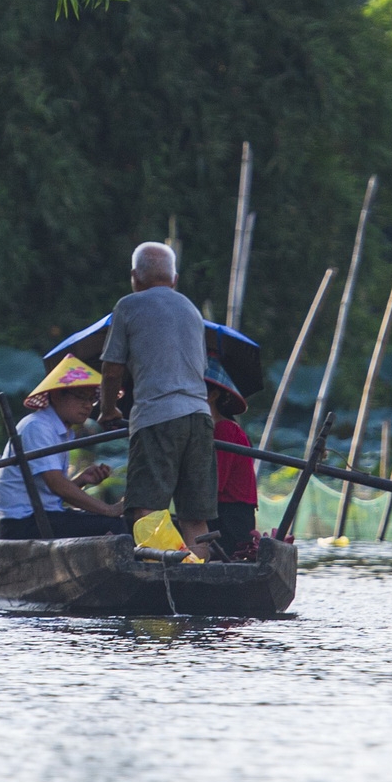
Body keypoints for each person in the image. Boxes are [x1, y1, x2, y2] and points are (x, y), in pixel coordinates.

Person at [98, 240, 222, 561]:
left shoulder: (128, 305)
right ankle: (198, 577)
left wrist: (109, 408)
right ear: (174, 280)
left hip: (157, 418)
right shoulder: (192, 311)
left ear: (134, 277)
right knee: (195, 515)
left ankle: (162, 578)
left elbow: (112, 371)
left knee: (146, 507)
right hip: (199, 418)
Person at [0, 355, 124, 540]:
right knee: (117, 525)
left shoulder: (62, 431)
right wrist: (109, 509)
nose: (87, 406)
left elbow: (50, 494)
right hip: (20, 523)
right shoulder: (38, 426)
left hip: (41, 517)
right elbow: (56, 485)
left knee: (120, 522)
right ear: (57, 396)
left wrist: (81, 479)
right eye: (81, 397)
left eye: (91, 400)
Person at [206, 363, 260, 559]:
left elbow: (216, 482)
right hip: (222, 511)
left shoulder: (225, 430)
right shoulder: (213, 430)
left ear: (212, 396)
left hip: (231, 515)